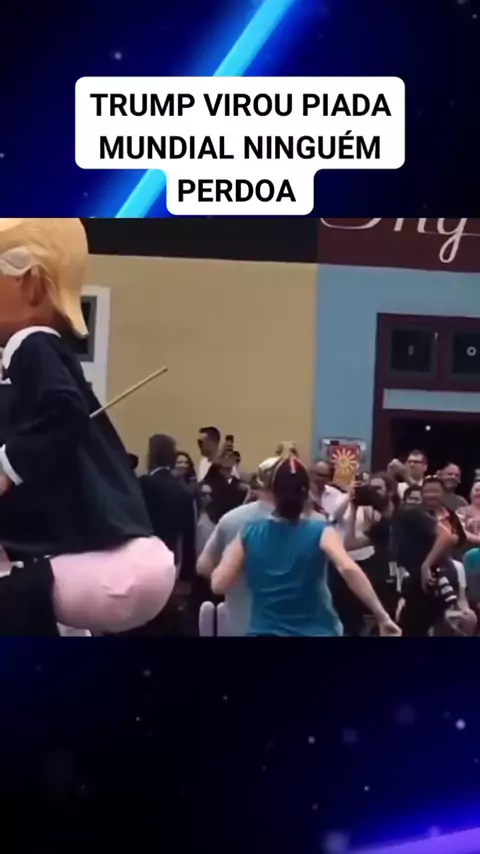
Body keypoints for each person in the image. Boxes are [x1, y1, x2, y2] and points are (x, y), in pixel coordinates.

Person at [0, 218, 176, 635]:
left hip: (100, 564)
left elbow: (64, 409)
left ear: (30, 284)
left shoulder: (31, 343)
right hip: (124, 562)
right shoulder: (42, 355)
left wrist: (5, 468)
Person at [211, 456, 401, 637]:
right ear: (306, 493)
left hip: (264, 630)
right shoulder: (320, 530)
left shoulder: (249, 532)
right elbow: (348, 568)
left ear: (273, 492)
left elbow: (219, 584)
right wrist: (382, 616)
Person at [197, 456, 279, 635]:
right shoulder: (310, 522)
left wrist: (232, 576)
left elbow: (203, 566)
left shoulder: (232, 519)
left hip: (241, 624)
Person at [394, 477, 466, 636]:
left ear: (444, 494)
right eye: (427, 491)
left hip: (445, 569)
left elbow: (456, 539)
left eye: (435, 491)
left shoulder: (451, 515)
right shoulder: (414, 515)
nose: (430, 495)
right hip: (418, 573)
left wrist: (432, 558)